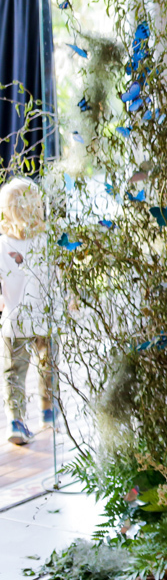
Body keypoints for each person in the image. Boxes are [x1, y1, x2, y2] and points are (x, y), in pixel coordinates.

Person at [0, 178, 55, 446]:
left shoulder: (2, 245)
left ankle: (17, 422)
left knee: (13, 373)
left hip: (15, 320)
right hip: (45, 318)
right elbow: (56, 276)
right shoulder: (45, 241)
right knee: (48, 367)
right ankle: (48, 412)